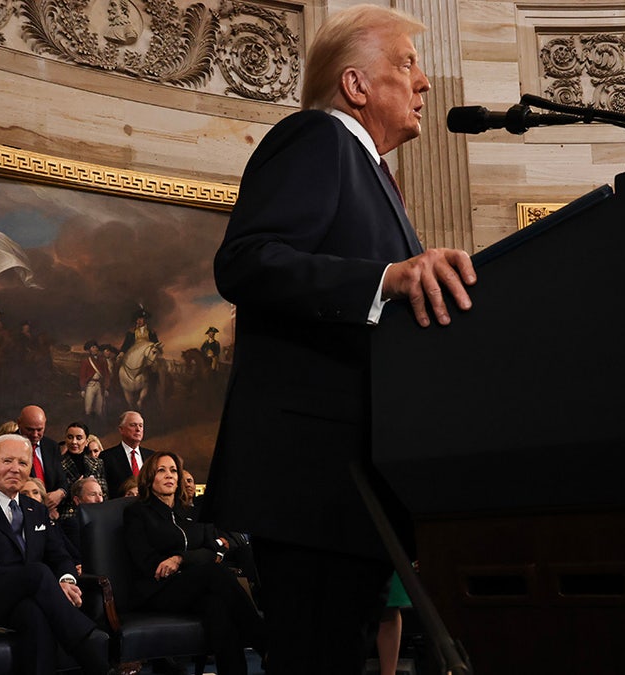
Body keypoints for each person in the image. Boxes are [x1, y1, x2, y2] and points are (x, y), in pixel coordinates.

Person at [201, 6, 476, 672]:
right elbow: (246, 260)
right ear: (355, 85)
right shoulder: (318, 138)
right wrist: (386, 277)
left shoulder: (372, 172)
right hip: (313, 480)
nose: (425, 82)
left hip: (351, 485)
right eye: (408, 63)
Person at [0, 434, 109, 675]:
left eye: (22, 463)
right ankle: (94, 657)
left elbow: (60, 556)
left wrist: (65, 580)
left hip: (26, 602)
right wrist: (33, 582)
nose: (15, 469)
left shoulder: (36, 509)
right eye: (7, 461)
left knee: (33, 614)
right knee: (39, 573)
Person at [125, 451, 264, 675]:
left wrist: (180, 559)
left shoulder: (191, 512)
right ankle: (264, 643)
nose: (169, 475)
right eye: (161, 470)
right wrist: (188, 562)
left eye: (173, 471)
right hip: (158, 589)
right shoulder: (137, 513)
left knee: (217, 608)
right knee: (213, 573)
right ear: (149, 478)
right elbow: (146, 563)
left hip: (196, 586)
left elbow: (214, 552)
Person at [17, 405, 68, 509]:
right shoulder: (8, 445)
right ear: (19, 423)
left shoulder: (52, 446)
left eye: (39, 429)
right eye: (30, 430)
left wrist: (60, 492)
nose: (35, 434)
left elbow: (61, 478)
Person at [102, 411, 151, 496]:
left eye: (141, 425)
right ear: (121, 429)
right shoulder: (107, 457)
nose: (138, 429)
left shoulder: (151, 456)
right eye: (133, 425)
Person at [61, 421, 107, 504]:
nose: (74, 442)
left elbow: (104, 492)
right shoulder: (58, 462)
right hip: (67, 511)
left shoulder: (97, 463)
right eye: (70, 437)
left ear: (86, 441)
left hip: (93, 510)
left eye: (79, 438)